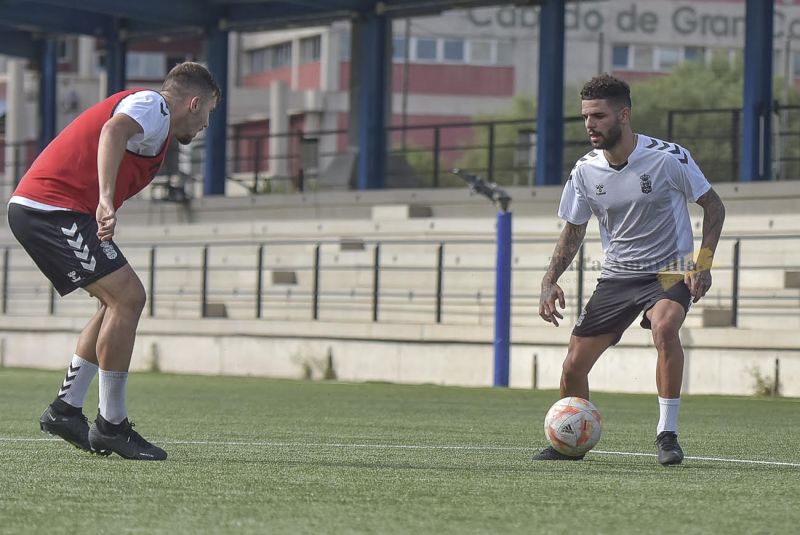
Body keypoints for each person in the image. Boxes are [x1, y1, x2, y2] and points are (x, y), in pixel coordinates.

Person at [6, 62, 221, 460]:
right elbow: (113, 131)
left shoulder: (155, 124)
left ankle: (66, 409)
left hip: (55, 209)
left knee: (117, 301)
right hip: (50, 209)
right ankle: (111, 426)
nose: (206, 123)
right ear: (194, 103)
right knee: (129, 297)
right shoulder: (154, 107)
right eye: (209, 111)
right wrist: (105, 199)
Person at [532, 74, 725, 466]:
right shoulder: (585, 171)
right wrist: (549, 281)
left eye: (598, 116)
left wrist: (702, 266)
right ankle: (570, 440)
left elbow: (715, 206)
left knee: (666, 326)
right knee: (573, 365)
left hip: (669, 270)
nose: (590, 125)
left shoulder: (668, 157)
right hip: (618, 275)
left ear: (624, 114)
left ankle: (667, 435)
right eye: (586, 117)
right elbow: (573, 228)